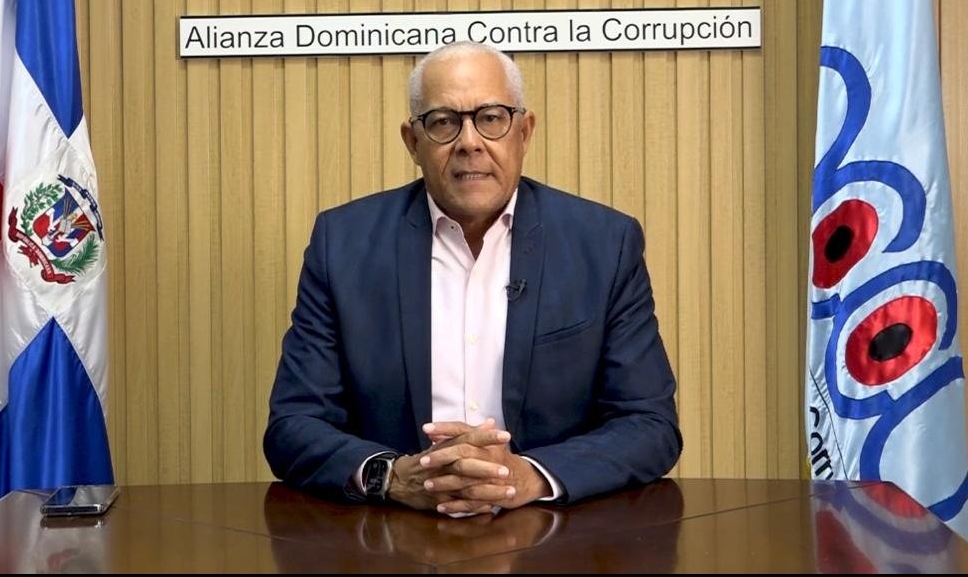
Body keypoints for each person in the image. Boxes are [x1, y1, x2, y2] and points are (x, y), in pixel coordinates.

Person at [264, 41, 681, 515]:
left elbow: (650, 425)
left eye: (491, 118)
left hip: (552, 531)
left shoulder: (604, 244)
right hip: (394, 531)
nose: (469, 142)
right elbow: (293, 425)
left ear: (524, 132)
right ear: (412, 142)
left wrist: (527, 476)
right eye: (444, 122)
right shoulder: (343, 244)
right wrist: (394, 476)